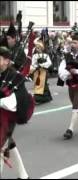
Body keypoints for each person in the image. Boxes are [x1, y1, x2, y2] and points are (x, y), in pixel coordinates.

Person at [0, 46, 34, 179]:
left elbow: (14, 102)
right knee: (9, 142)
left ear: (7, 61)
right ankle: (24, 176)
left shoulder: (16, 77)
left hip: (8, 117)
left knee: (1, 147)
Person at [30, 39, 53, 104]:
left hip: (44, 71)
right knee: (38, 84)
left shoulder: (46, 55)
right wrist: (33, 69)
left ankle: (40, 99)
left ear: (42, 48)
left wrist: (42, 65)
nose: (38, 49)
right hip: (37, 72)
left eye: (39, 47)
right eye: (37, 48)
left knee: (42, 84)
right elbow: (33, 64)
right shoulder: (34, 56)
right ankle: (45, 98)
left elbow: (49, 63)